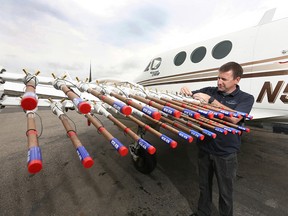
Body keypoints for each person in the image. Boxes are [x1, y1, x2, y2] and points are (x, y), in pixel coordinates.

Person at [180, 62, 254, 216]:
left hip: (226, 153)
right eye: (218, 78)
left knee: (225, 193)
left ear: (237, 80)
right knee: (204, 186)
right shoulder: (209, 90)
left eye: (224, 79)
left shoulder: (246, 98)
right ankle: (202, 213)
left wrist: (211, 101)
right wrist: (184, 91)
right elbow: (188, 97)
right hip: (204, 147)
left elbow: (235, 119)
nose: (219, 82)